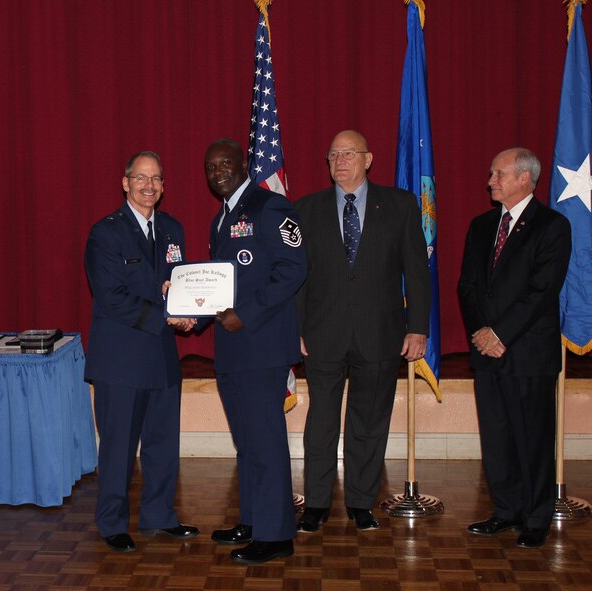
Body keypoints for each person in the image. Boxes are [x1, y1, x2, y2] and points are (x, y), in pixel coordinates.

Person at [294, 129, 430, 533]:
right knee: (320, 423)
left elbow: (417, 273)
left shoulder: (401, 205)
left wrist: (418, 327)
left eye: (349, 153)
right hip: (322, 333)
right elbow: (297, 277)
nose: (340, 161)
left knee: (369, 422)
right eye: (334, 154)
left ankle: (359, 501)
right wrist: (295, 329)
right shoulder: (305, 209)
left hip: (381, 333)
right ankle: (316, 503)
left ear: (368, 159)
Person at [84, 151, 199, 553]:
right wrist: (165, 315)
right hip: (120, 360)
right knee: (118, 449)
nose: (149, 186)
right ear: (125, 182)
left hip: (162, 358)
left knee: (163, 445)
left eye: (156, 179)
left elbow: (181, 284)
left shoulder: (172, 229)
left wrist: (191, 316)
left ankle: (159, 516)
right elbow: (112, 297)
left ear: (164, 186)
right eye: (140, 178)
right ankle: (112, 523)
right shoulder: (106, 233)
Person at [457, 147, 571, 548]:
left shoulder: (553, 226)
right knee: (497, 436)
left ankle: (536, 518)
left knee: (533, 438)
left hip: (526, 353)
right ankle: (504, 511)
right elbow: (467, 287)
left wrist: (500, 334)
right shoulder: (481, 225)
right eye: (492, 173)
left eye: (498, 173)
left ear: (525, 178)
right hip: (487, 352)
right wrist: (481, 333)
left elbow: (542, 291)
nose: (490, 180)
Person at [201, 138, 307, 565]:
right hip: (230, 349)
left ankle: (276, 533)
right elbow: (220, 286)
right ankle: (251, 520)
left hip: (261, 346)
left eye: (225, 163)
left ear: (243, 164)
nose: (218, 171)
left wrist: (246, 313)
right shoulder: (219, 220)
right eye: (210, 167)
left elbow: (294, 268)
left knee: (264, 441)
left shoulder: (270, 208)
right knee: (247, 441)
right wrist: (195, 309)